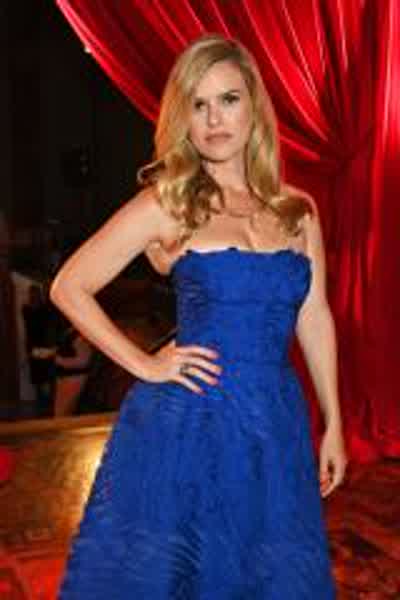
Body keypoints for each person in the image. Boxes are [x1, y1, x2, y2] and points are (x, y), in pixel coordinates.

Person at [51, 34, 347, 599]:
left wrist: (333, 421)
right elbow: (70, 286)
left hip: (274, 420)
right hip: (192, 421)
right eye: (199, 104)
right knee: (191, 573)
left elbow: (315, 316)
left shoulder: (298, 211)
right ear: (182, 118)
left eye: (228, 100)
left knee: (267, 569)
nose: (214, 119)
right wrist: (146, 364)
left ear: (254, 106)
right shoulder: (169, 202)